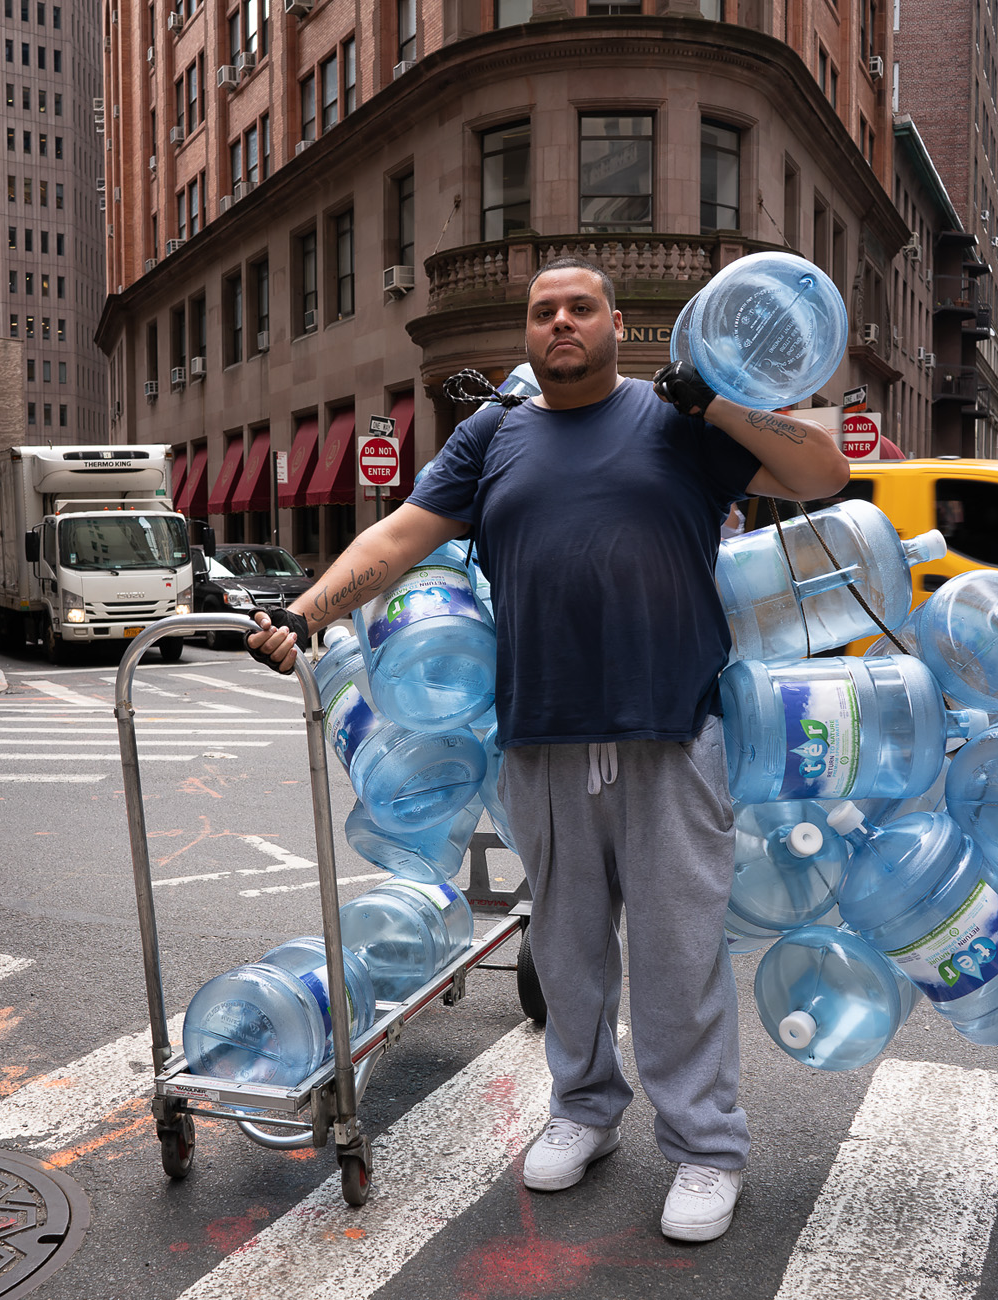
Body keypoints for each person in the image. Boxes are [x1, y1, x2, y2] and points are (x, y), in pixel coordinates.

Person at [246, 257, 849, 1242]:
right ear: (527, 336)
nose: (560, 321)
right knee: (565, 953)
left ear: (617, 322)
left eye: (579, 307)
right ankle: (584, 1109)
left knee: (677, 953)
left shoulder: (684, 421)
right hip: (540, 734)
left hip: (665, 730)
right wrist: (305, 612)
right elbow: (398, 537)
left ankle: (705, 1148)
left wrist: (722, 404)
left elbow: (822, 474)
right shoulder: (493, 435)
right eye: (542, 312)